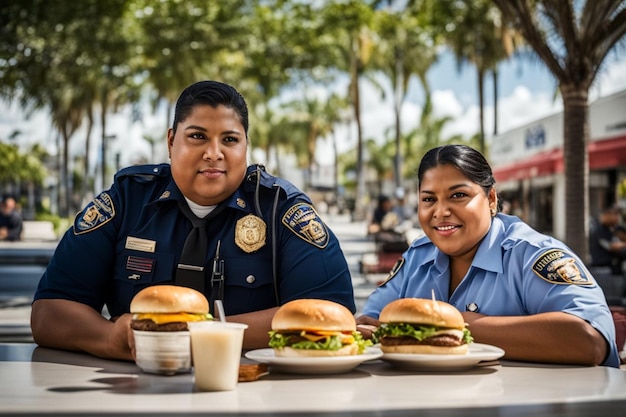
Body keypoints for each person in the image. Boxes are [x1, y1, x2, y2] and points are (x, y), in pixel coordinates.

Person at [31, 80, 356, 361]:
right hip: (133, 388)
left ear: (246, 146)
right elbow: (49, 313)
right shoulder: (128, 200)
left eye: (229, 139)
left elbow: (332, 314)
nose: (214, 153)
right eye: (198, 136)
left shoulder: (279, 210)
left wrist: (199, 336)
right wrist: (109, 338)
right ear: (171, 141)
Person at [356, 144, 620, 367]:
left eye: (458, 195)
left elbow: (588, 339)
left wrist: (451, 328)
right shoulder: (417, 257)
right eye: (428, 199)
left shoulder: (531, 256)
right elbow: (371, 326)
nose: (440, 211)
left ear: (491, 199)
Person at [589, 205, 626, 274]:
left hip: (614, 269)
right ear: (606, 215)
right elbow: (611, 246)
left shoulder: (612, 229)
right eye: (615, 215)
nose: (617, 218)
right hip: (603, 270)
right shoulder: (598, 230)